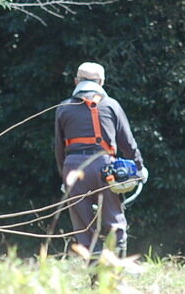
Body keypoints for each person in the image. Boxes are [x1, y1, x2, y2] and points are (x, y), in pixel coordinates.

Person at [54, 62, 147, 257]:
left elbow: (59, 149)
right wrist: (139, 169)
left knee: (84, 228)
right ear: (102, 82)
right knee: (114, 221)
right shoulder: (111, 105)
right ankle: (116, 269)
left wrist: (64, 177)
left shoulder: (63, 107)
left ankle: (95, 273)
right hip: (106, 168)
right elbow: (128, 143)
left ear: (76, 81)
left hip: (73, 169)